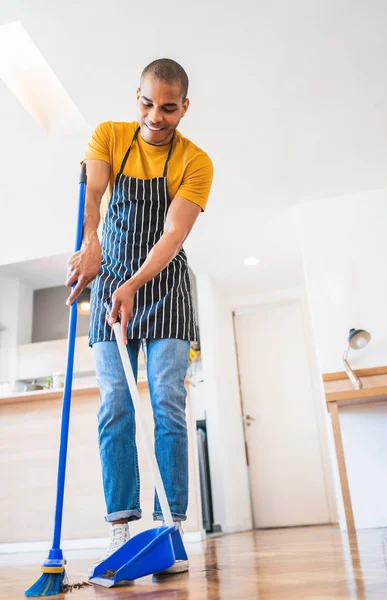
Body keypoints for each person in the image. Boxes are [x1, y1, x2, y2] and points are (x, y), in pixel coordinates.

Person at [65, 58, 213, 576]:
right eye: (148, 103)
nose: (155, 116)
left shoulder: (196, 161)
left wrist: (134, 283)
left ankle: (168, 531)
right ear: (138, 96)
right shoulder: (109, 136)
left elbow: (172, 237)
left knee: (168, 402)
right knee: (115, 403)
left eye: (168, 108)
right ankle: (121, 530)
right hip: (110, 281)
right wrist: (90, 247)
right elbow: (95, 195)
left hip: (165, 285)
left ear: (184, 107)